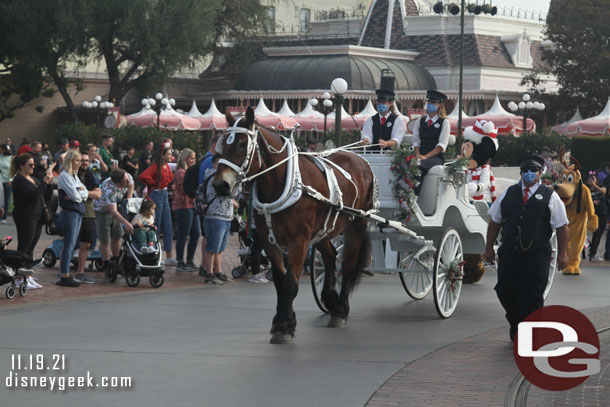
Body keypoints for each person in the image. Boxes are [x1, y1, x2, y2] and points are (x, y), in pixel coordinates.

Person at [485, 155, 569, 341]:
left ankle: (529, 334)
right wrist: (489, 248)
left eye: (533, 170)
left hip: (536, 255)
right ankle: (516, 323)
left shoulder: (550, 196)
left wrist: (563, 254)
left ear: (540, 173)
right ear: (521, 173)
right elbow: (495, 220)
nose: (529, 174)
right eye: (526, 170)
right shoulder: (508, 193)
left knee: (532, 295)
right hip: (510, 253)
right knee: (505, 290)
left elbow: (562, 226)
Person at [201, 155, 238, 284]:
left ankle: (218, 271)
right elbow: (230, 192)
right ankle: (209, 273)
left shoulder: (224, 177)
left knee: (220, 248)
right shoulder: (213, 177)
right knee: (212, 247)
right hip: (215, 214)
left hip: (226, 215)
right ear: (215, 164)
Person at [138, 144, 176, 265]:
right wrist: (154, 183)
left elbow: (170, 178)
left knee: (168, 225)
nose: (171, 156)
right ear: (162, 155)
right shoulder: (156, 166)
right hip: (157, 195)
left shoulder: (166, 166)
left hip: (163, 194)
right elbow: (142, 176)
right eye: (169, 154)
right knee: (156, 224)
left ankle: (169, 255)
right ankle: (154, 253)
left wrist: (161, 183)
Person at [56, 150, 89, 287]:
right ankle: (65, 274)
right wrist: (78, 193)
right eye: (77, 160)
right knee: (69, 244)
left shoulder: (74, 176)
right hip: (69, 212)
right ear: (70, 161)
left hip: (77, 212)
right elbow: (76, 196)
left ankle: (66, 273)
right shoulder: (65, 176)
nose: (80, 163)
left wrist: (79, 193)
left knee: (72, 243)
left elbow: (85, 193)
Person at [11, 153, 53, 259]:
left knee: (31, 247)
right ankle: (20, 273)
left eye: (34, 164)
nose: (33, 167)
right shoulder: (19, 180)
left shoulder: (34, 179)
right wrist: (44, 183)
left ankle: (27, 273)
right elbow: (33, 195)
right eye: (30, 165)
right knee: (24, 246)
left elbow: (44, 195)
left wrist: (49, 184)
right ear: (21, 166)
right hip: (26, 216)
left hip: (37, 216)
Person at [94, 169, 135, 276]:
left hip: (116, 207)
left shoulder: (127, 176)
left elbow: (131, 183)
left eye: (127, 180)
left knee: (117, 235)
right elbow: (113, 211)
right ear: (118, 183)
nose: (127, 183)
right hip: (103, 210)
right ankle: (107, 265)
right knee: (105, 239)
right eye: (124, 182)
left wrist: (129, 200)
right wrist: (126, 222)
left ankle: (116, 262)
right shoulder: (109, 189)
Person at [412, 90, 451, 192]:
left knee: (419, 167)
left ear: (440, 105)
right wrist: (418, 155)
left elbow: (441, 146)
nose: (430, 105)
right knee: (404, 165)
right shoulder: (420, 121)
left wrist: (425, 156)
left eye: (433, 103)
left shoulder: (444, 122)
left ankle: (413, 198)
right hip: (420, 155)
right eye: (429, 102)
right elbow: (416, 141)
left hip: (435, 157)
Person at [360, 72, 406, 150]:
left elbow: (397, 139)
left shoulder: (398, 120)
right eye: (379, 102)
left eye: (383, 102)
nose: (380, 104)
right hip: (372, 154)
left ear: (390, 103)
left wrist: (386, 143)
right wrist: (365, 141)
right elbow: (367, 136)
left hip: (390, 155)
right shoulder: (370, 120)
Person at [75, 152, 101, 284]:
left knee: (86, 244)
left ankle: (81, 272)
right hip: (75, 212)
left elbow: (97, 195)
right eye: (82, 160)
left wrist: (84, 193)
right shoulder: (72, 175)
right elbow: (73, 193)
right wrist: (89, 194)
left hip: (89, 213)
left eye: (86, 161)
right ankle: (64, 272)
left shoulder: (91, 176)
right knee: (69, 243)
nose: (84, 163)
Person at [173, 148, 200, 271]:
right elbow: (186, 189)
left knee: (196, 234)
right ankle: (180, 261)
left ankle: (189, 260)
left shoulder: (189, 171)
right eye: (191, 158)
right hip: (183, 206)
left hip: (192, 205)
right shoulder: (180, 172)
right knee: (183, 233)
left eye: (194, 158)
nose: (193, 161)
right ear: (185, 159)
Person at [197, 135, 219, 275]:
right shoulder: (211, 161)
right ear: (215, 145)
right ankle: (206, 266)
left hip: (203, 202)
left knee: (207, 236)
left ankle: (205, 264)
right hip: (209, 204)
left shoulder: (205, 159)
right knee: (208, 237)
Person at [586, 172, 606, 262]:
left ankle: (593, 251)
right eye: (591, 179)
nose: (592, 180)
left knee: (600, 233)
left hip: (603, 213)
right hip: (594, 215)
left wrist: (595, 186)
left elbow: (603, 191)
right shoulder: (587, 190)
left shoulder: (601, 186)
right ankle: (593, 253)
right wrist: (592, 202)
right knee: (596, 233)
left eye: (594, 178)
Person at [0, 145, 12, 223]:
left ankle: (4, 217)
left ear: (4, 150)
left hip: (7, 181)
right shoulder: (0, 157)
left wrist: (10, 180)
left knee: (6, 200)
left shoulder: (11, 158)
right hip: (0, 180)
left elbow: (13, 170)